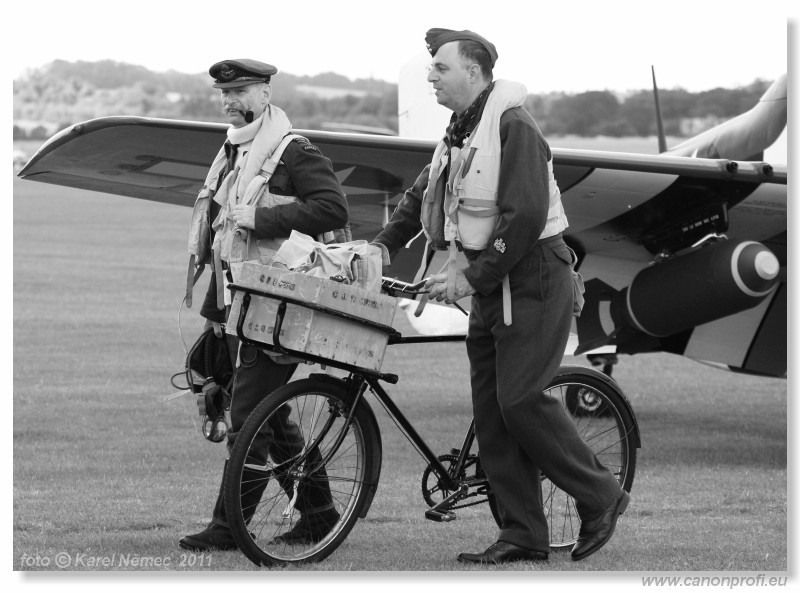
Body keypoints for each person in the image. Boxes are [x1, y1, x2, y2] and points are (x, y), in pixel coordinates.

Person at [372, 30, 629, 564]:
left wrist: (471, 277)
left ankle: (602, 495)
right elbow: (424, 192)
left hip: (533, 277)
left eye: (441, 68)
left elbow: (527, 216)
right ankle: (523, 534)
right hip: (494, 284)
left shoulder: (515, 126)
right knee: (492, 415)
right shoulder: (460, 131)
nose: (430, 76)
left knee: (520, 400)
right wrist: (381, 246)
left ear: (475, 72)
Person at [179, 59, 349, 552]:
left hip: (279, 305)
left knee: (248, 414)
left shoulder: (294, 151)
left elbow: (332, 209)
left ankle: (229, 528)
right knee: (270, 418)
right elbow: (223, 241)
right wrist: (214, 316)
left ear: (266, 92)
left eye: (241, 91)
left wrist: (262, 216)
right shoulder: (232, 152)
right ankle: (319, 514)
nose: (229, 100)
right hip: (237, 304)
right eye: (223, 93)